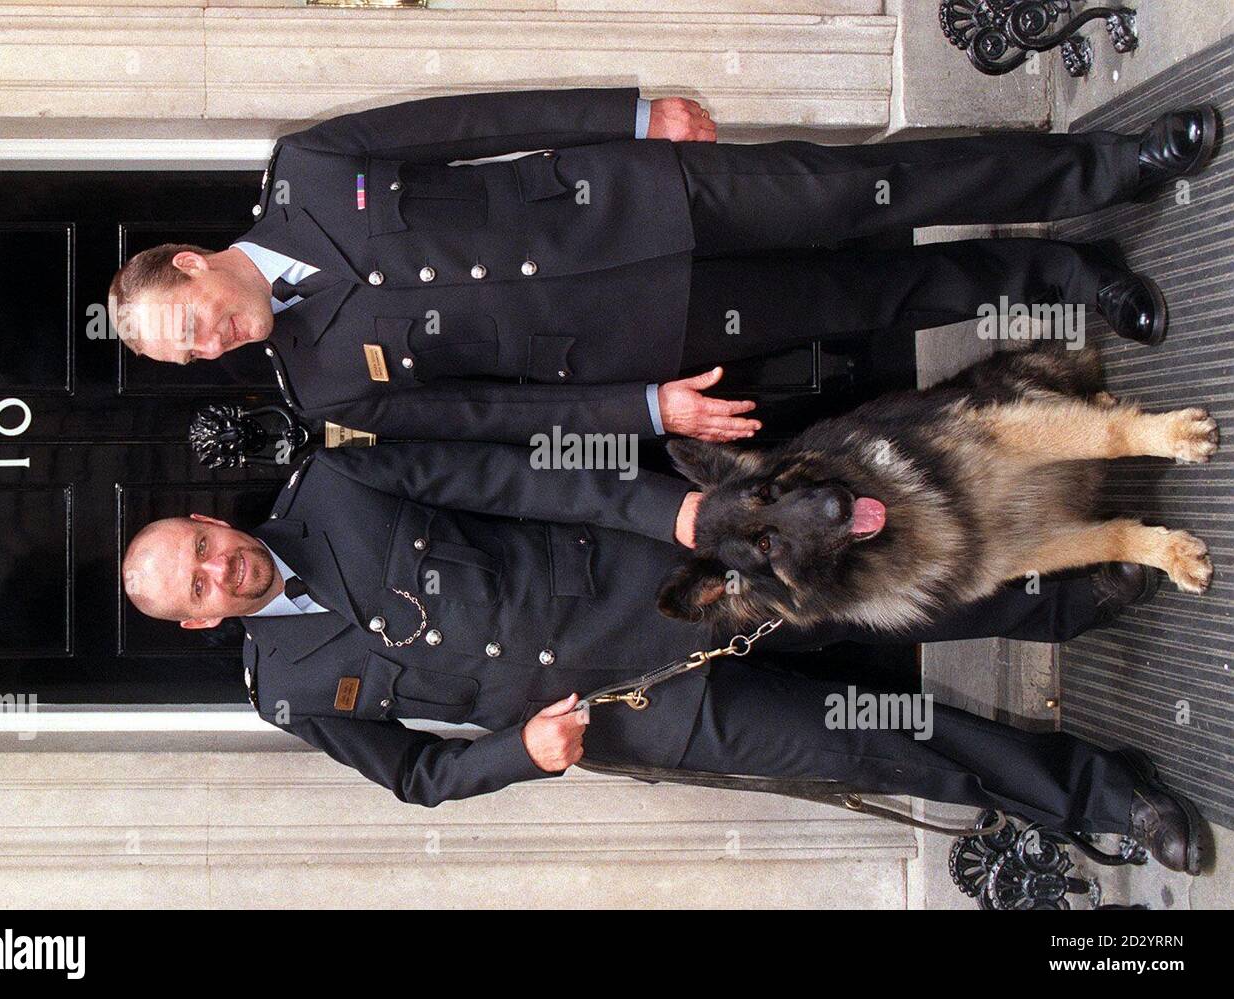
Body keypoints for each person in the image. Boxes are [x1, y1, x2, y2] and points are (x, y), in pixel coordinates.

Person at [123, 444, 1203, 874]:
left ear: (207, 520)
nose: (221, 567)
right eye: (199, 584)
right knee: (892, 746)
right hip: (636, 711)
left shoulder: (336, 489)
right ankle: (1108, 799)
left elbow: (521, 485)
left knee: (886, 596)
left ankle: (1066, 599)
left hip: (659, 588)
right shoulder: (289, 692)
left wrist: (675, 517)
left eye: (205, 545)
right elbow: (413, 776)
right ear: (197, 624)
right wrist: (522, 756)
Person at [107, 91, 1219, 444]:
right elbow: (497, 424)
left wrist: (629, 109)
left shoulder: (309, 168)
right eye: (186, 358)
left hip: (640, 196)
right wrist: (644, 408)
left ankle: (1105, 165)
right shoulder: (324, 386)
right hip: (648, 329)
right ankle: (1073, 281)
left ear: (195, 265)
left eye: (189, 323)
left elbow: (470, 118)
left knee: (873, 189)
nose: (208, 347)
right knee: (868, 296)